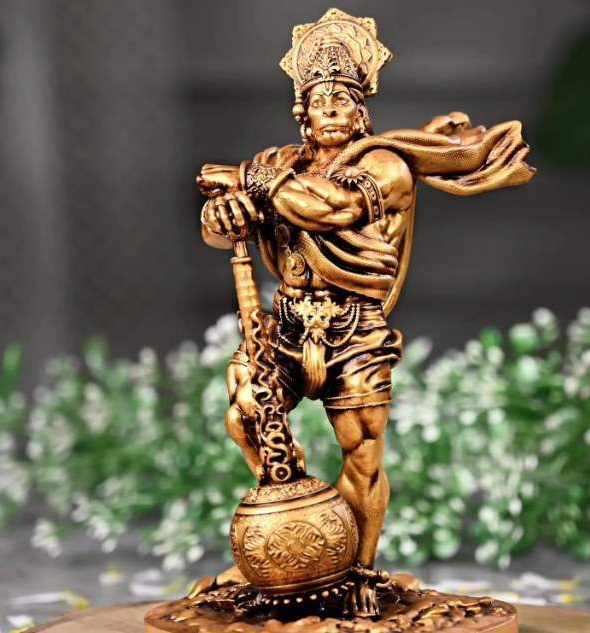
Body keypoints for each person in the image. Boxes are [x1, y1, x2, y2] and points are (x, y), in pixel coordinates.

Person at [197, 10, 535, 617]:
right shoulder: (276, 162)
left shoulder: (385, 167)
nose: (329, 110)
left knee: (362, 448)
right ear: (302, 111)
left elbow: (330, 210)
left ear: (360, 112)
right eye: (318, 101)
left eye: (342, 101)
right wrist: (223, 214)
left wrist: (248, 181)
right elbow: (220, 226)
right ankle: (288, 546)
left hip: (354, 329)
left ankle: (356, 567)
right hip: (288, 324)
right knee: (247, 411)